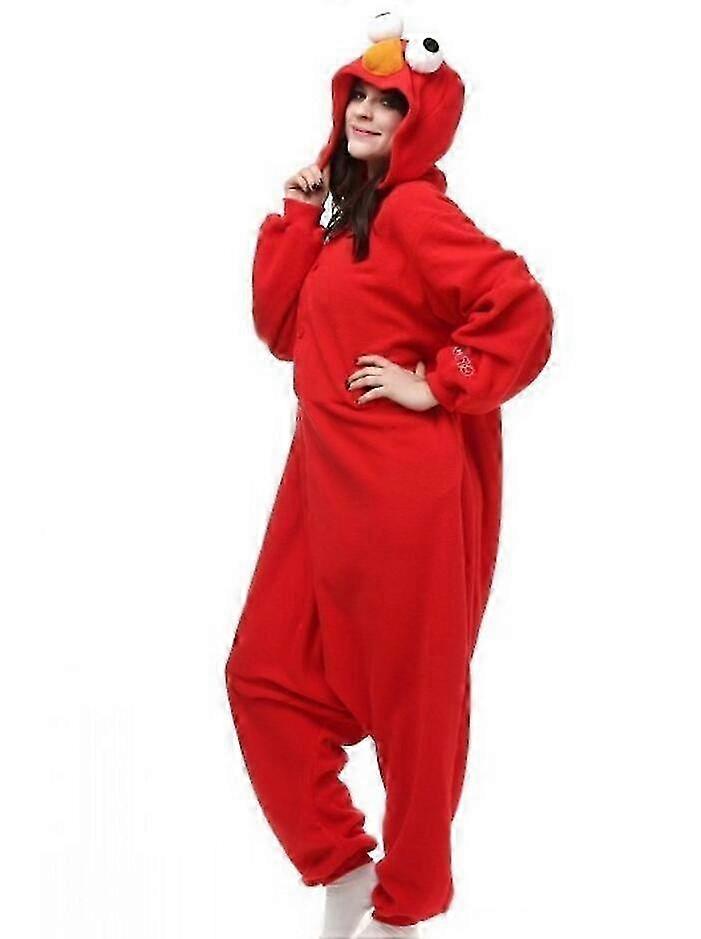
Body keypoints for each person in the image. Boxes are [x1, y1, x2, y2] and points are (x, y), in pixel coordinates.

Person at [225, 11, 554, 939]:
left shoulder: (414, 211)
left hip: (402, 491)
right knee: (263, 675)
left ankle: (404, 909)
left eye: (390, 103)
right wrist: (298, 215)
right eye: (359, 96)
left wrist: (437, 382)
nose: (367, 112)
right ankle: (344, 869)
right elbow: (281, 331)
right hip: (318, 484)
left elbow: (519, 306)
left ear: (422, 121)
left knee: (416, 701)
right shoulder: (350, 221)